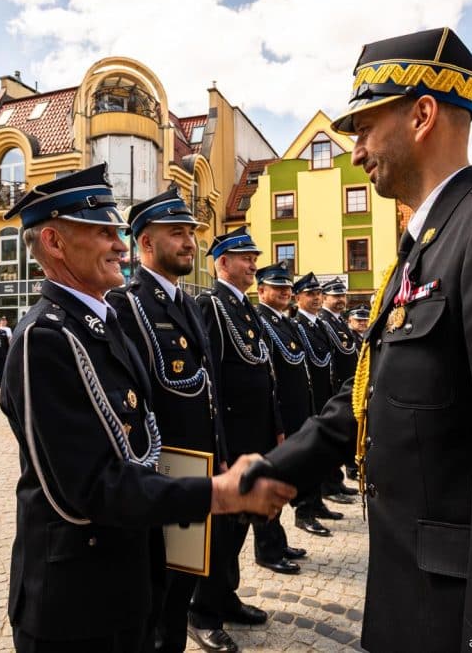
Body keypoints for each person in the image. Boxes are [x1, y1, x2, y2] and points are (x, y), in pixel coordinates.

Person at [240, 28, 472, 650]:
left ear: (421, 114)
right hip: (414, 599)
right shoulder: (427, 245)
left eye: (363, 127)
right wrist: (271, 470)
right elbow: (371, 394)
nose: (355, 150)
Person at [0, 164, 295, 652]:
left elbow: (146, 435)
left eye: (119, 231)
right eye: (104, 232)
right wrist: (215, 494)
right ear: (53, 241)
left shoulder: (101, 320)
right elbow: (90, 488)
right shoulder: (44, 338)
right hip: (77, 602)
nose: (120, 244)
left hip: (130, 570)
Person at [106, 187, 233, 652]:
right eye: (176, 233)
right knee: (157, 596)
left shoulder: (185, 303)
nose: (189, 242)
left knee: (180, 588)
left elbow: (209, 388)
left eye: (192, 234)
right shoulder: (130, 305)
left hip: (196, 470)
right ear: (144, 244)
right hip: (164, 475)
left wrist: (218, 455)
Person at [188, 227, 289, 652]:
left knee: (240, 527)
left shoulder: (245, 309)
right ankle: (201, 612)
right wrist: (221, 449)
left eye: (254, 257)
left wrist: (277, 426)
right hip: (232, 440)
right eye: (245, 257)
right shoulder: (210, 306)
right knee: (222, 530)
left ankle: (224, 595)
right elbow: (210, 381)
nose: (253, 263)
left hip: (257, 434)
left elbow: (265, 375)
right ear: (222, 263)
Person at [256, 264, 332, 540]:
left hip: (301, 405)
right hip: (283, 410)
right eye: (279, 287)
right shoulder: (261, 320)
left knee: (306, 462)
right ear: (261, 291)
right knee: (281, 473)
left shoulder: (285, 321)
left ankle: (308, 508)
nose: (286, 291)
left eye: (288, 287)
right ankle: (299, 515)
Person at [296, 273, 356, 507]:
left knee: (329, 445)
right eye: (311, 294)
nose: (316, 298)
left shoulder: (321, 324)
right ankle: (320, 494)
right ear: (298, 297)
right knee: (316, 449)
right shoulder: (300, 325)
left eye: (318, 294)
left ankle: (331, 484)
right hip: (315, 395)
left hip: (330, 390)